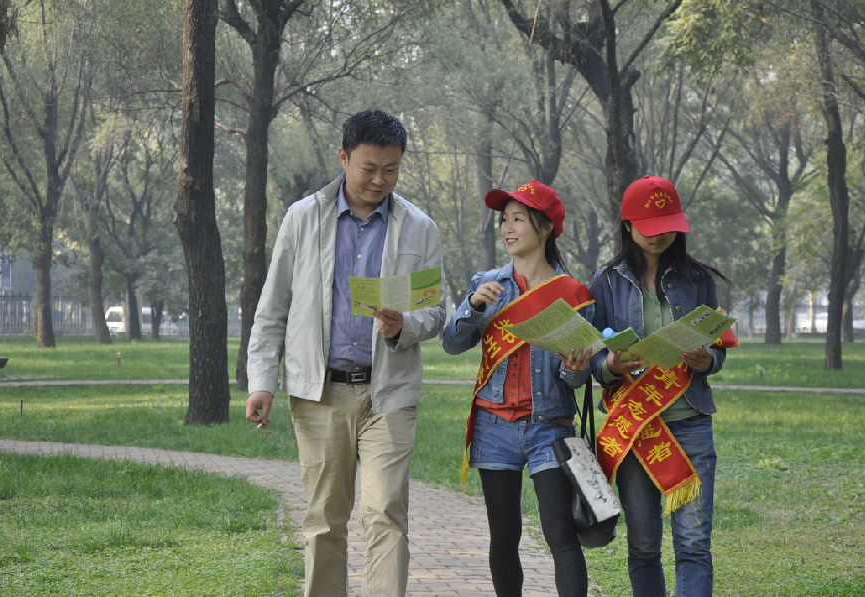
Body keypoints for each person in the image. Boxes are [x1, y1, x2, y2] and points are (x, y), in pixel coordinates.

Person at [245, 109, 446, 597]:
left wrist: (404, 325)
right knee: (324, 519)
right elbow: (273, 308)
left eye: (390, 169)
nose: (379, 180)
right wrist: (261, 382)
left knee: (386, 513)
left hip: (388, 392)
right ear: (344, 157)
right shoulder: (302, 218)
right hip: (319, 392)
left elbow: (436, 311)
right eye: (369, 168)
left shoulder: (420, 227)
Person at [442, 181, 595, 597]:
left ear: (545, 228)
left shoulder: (573, 294)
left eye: (518, 220)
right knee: (504, 534)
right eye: (504, 220)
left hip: (550, 426)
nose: (508, 228)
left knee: (561, 534)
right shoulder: (488, 284)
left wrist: (576, 369)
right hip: (494, 426)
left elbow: (579, 377)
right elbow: (452, 343)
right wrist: (473, 305)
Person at [589, 175, 736, 597]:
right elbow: (593, 354)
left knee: (694, 545)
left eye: (668, 227)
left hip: (691, 421)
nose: (660, 236)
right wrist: (610, 365)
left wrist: (708, 361)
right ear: (628, 226)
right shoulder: (606, 281)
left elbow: (717, 345)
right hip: (636, 427)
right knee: (643, 546)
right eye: (650, 228)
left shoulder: (699, 279)